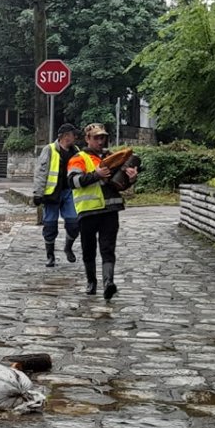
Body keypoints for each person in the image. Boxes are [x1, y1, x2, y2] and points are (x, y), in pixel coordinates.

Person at [67, 123, 138, 299]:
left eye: (103, 137)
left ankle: (108, 282)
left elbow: (119, 184)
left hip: (110, 209)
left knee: (108, 248)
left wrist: (131, 179)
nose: (100, 141)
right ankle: (91, 282)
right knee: (88, 249)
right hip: (88, 211)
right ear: (87, 139)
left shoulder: (114, 157)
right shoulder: (78, 158)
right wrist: (96, 175)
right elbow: (72, 182)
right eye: (96, 138)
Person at [33, 123, 81, 267]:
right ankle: (50, 255)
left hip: (69, 193)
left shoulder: (76, 151)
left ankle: (68, 247)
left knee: (74, 224)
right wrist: (38, 193)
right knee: (50, 226)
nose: (76, 137)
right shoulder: (49, 150)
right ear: (66, 136)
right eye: (73, 135)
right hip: (52, 194)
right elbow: (41, 172)